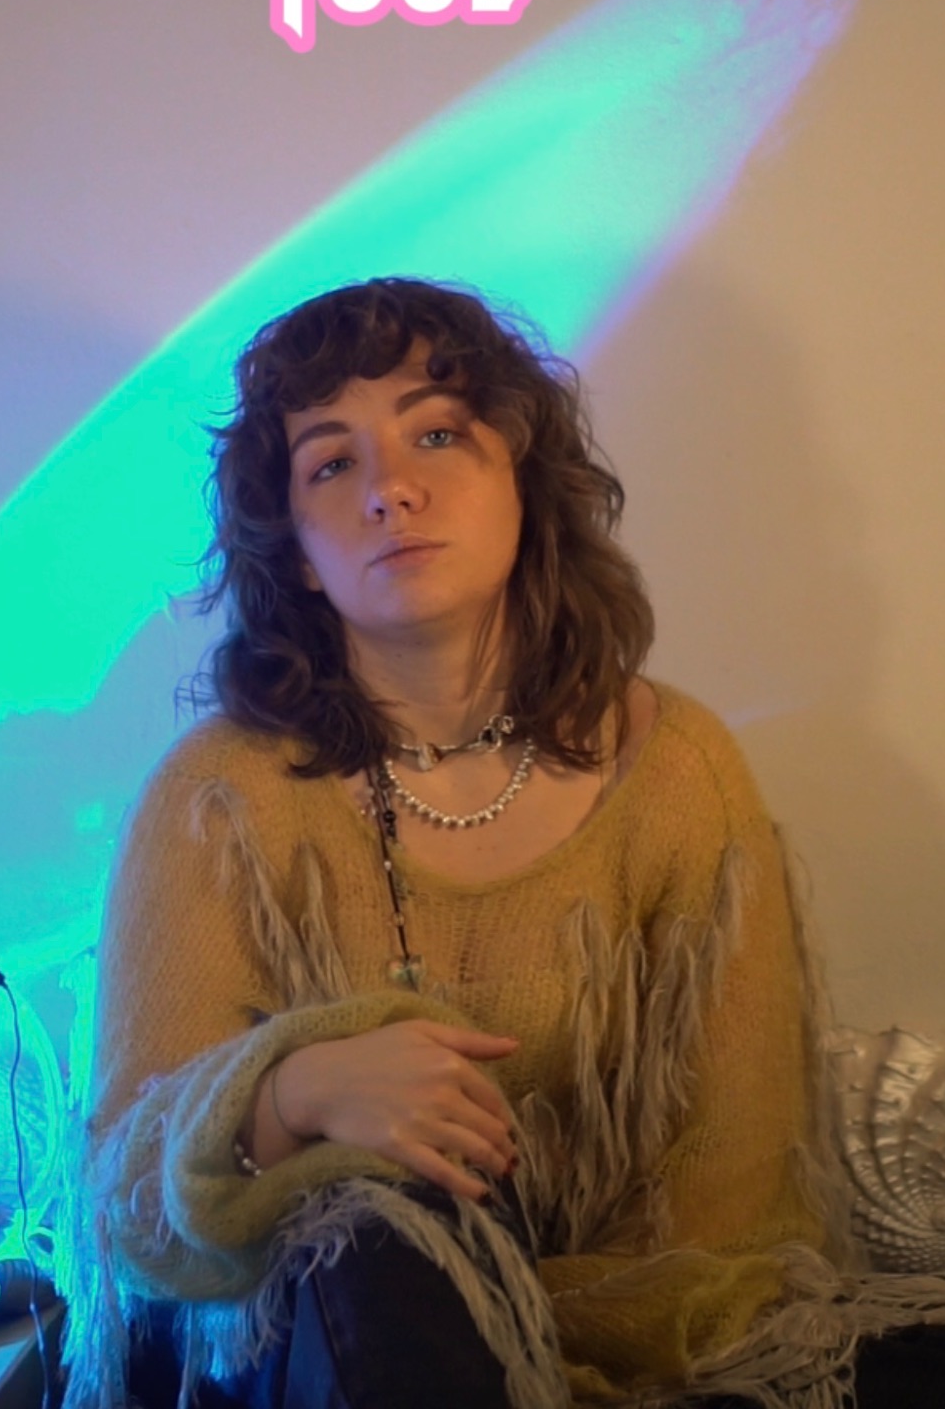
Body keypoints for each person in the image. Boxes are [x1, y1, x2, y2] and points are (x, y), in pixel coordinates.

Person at [61, 278, 945, 1409]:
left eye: (437, 433)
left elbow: (733, 1219)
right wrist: (292, 1094)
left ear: (523, 479)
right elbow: (131, 1207)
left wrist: (509, 1340)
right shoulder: (217, 799)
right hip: (321, 1357)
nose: (390, 487)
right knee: (372, 1229)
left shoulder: (678, 772)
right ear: (297, 552)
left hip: (657, 1356)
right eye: (331, 463)